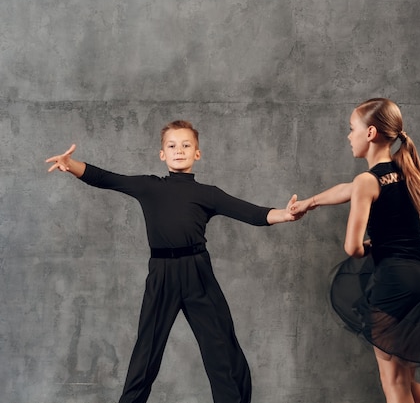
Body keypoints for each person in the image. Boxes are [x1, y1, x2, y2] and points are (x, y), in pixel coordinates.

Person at [46, 120, 304, 403]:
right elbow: (108, 178)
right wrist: (71, 165)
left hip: (198, 273)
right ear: (162, 154)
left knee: (222, 351)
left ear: (197, 153)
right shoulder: (148, 187)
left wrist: (285, 214)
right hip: (162, 275)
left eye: (186, 145)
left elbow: (250, 212)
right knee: (146, 355)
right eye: (172, 145)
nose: (178, 150)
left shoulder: (209, 194)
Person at [290, 98, 420, 403]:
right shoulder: (406, 171)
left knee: (393, 384)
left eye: (351, 129)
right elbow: (350, 189)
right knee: (406, 381)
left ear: (369, 133)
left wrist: (368, 247)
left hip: (393, 281)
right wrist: (310, 201)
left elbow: (352, 247)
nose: (348, 136)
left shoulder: (367, 180)